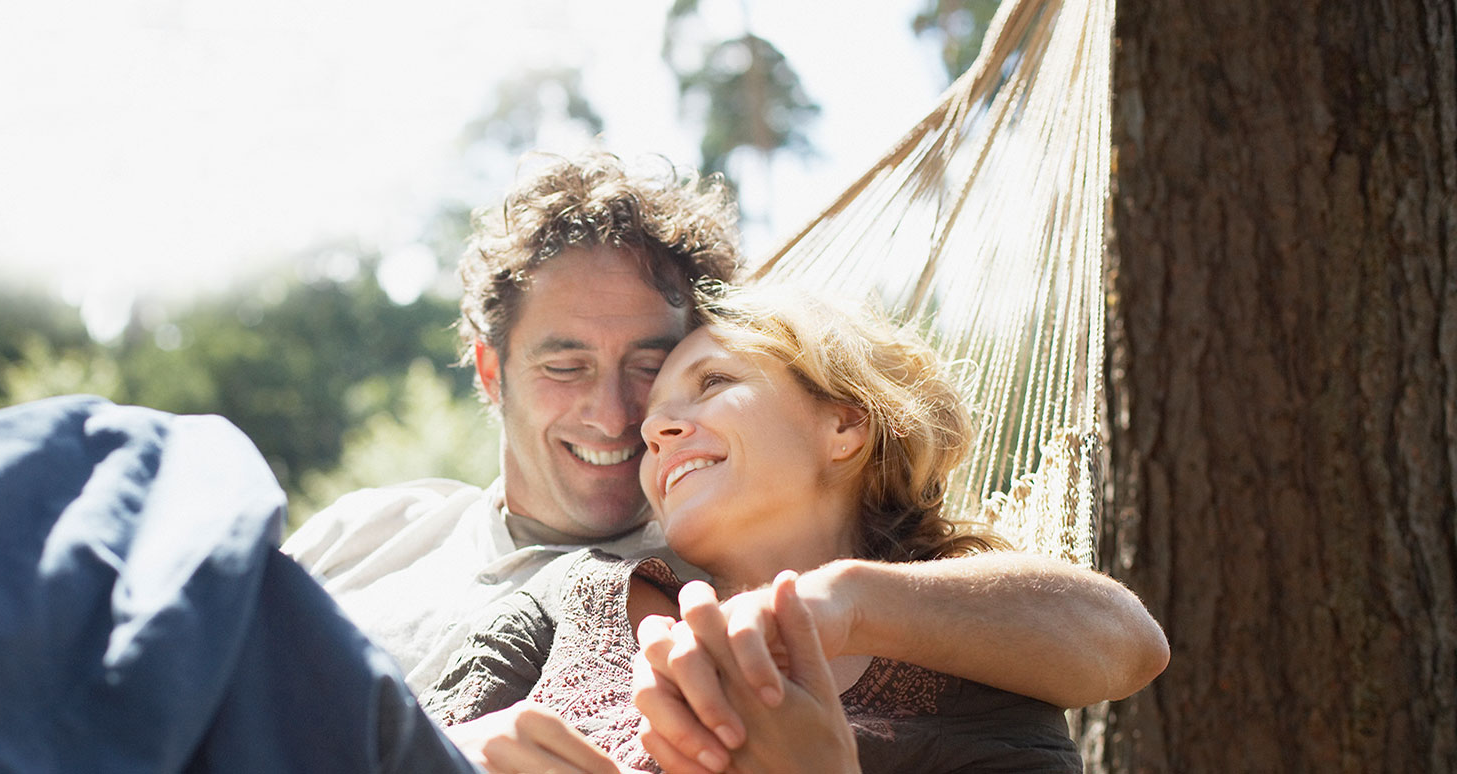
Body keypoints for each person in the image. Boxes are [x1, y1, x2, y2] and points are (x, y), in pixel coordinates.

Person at [288, 152, 1167, 769]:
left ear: (843, 426)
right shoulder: (386, 537)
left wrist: (840, 609)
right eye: (564, 365)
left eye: (681, 375)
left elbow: (1121, 641)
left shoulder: (966, 646)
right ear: (491, 370)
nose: (634, 420)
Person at [424, 285, 1102, 773]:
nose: (653, 430)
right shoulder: (569, 598)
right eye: (655, 414)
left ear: (843, 424)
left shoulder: (981, 686)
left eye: (713, 381)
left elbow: (1126, 640)